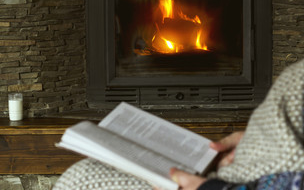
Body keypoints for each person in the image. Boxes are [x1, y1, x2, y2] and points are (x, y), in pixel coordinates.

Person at [53, 58, 304, 190]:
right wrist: (257, 137)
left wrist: (212, 188)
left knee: (81, 180)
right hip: (264, 153)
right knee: (89, 169)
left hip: (252, 177)